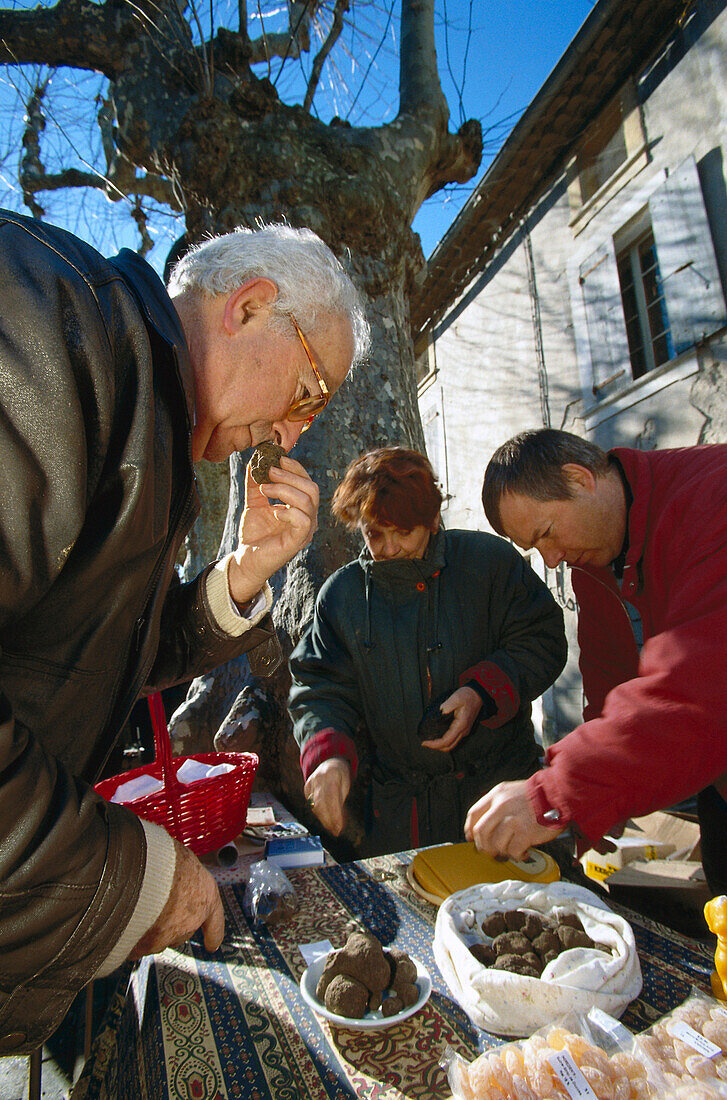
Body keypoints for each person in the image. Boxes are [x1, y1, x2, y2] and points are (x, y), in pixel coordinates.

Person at [0, 208, 370, 1053]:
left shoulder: (148, 419)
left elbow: (94, 653)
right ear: (247, 306)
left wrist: (242, 572)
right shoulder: (56, 324)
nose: (291, 431)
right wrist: (124, 876)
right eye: (309, 393)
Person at [465, 428, 727, 897]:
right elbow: (610, 687)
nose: (553, 558)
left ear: (579, 479)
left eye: (547, 533)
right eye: (536, 549)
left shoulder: (714, 496)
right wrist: (593, 806)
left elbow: (697, 689)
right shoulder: (596, 561)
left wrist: (555, 793)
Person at [288, 447, 567, 858]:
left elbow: (542, 638)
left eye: (403, 532)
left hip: (502, 803)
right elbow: (319, 688)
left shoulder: (489, 564)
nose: (389, 548)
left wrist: (480, 694)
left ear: (433, 519)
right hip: (401, 820)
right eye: (374, 534)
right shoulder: (342, 597)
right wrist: (328, 758)